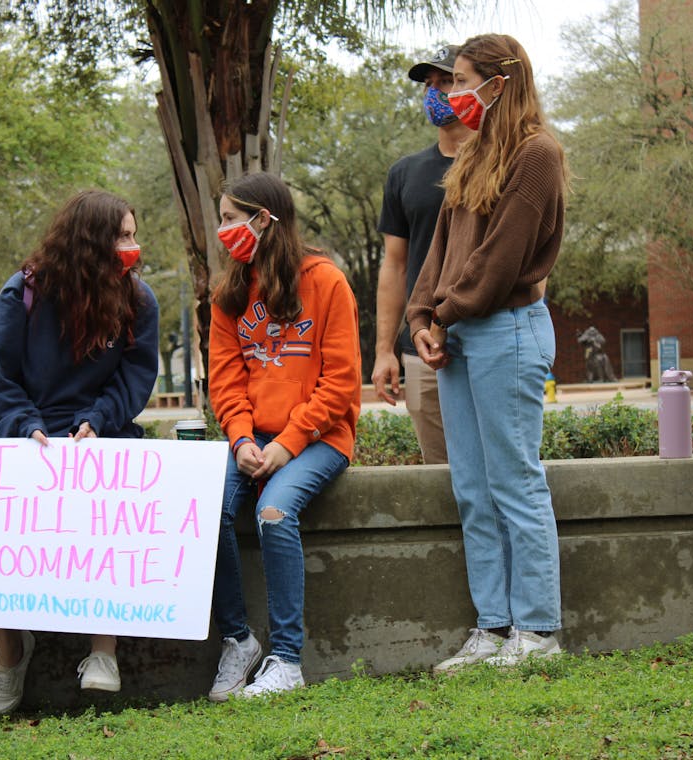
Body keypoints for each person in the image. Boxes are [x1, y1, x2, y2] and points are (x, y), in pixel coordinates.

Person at [406, 34, 569, 670]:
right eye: (448, 82)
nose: (450, 94)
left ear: (499, 84)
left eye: (462, 79)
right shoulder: (472, 155)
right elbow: (440, 253)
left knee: (514, 481)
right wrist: (422, 318)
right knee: (472, 487)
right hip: (461, 333)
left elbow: (500, 261)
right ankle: (494, 627)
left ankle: (539, 631)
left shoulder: (537, 154)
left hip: (508, 329)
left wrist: (442, 314)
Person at [0, 190, 160, 713]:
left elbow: (135, 379)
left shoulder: (139, 301)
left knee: (104, 520)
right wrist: (26, 425)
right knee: (1, 527)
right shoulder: (23, 294)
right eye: (121, 236)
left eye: (133, 233)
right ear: (89, 242)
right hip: (22, 431)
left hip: (98, 432)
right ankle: (9, 658)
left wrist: (98, 421)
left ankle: (104, 652)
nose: (133, 246)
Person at [207, 172, 361, 699]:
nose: (223, 228)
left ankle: (287, 661)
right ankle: (239, 640)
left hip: (320, 439)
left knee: (274, 512)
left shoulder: (326, 282)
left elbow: (340, 382)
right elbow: (226, 381)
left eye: (230, 217)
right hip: (253, 440)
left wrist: (286, 444)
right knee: (211, 510)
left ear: (263, 219)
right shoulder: (228, 295)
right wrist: (243, 440)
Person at [372, 45, 471, 465]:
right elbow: (394, 266)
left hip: (489, 338)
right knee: (440, 473)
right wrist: (384, 350)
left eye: (447, 81)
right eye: (430, 84)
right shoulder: (405, 173)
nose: (435, 92)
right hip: (423, 346)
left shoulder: (505, 162)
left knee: (500, 469)